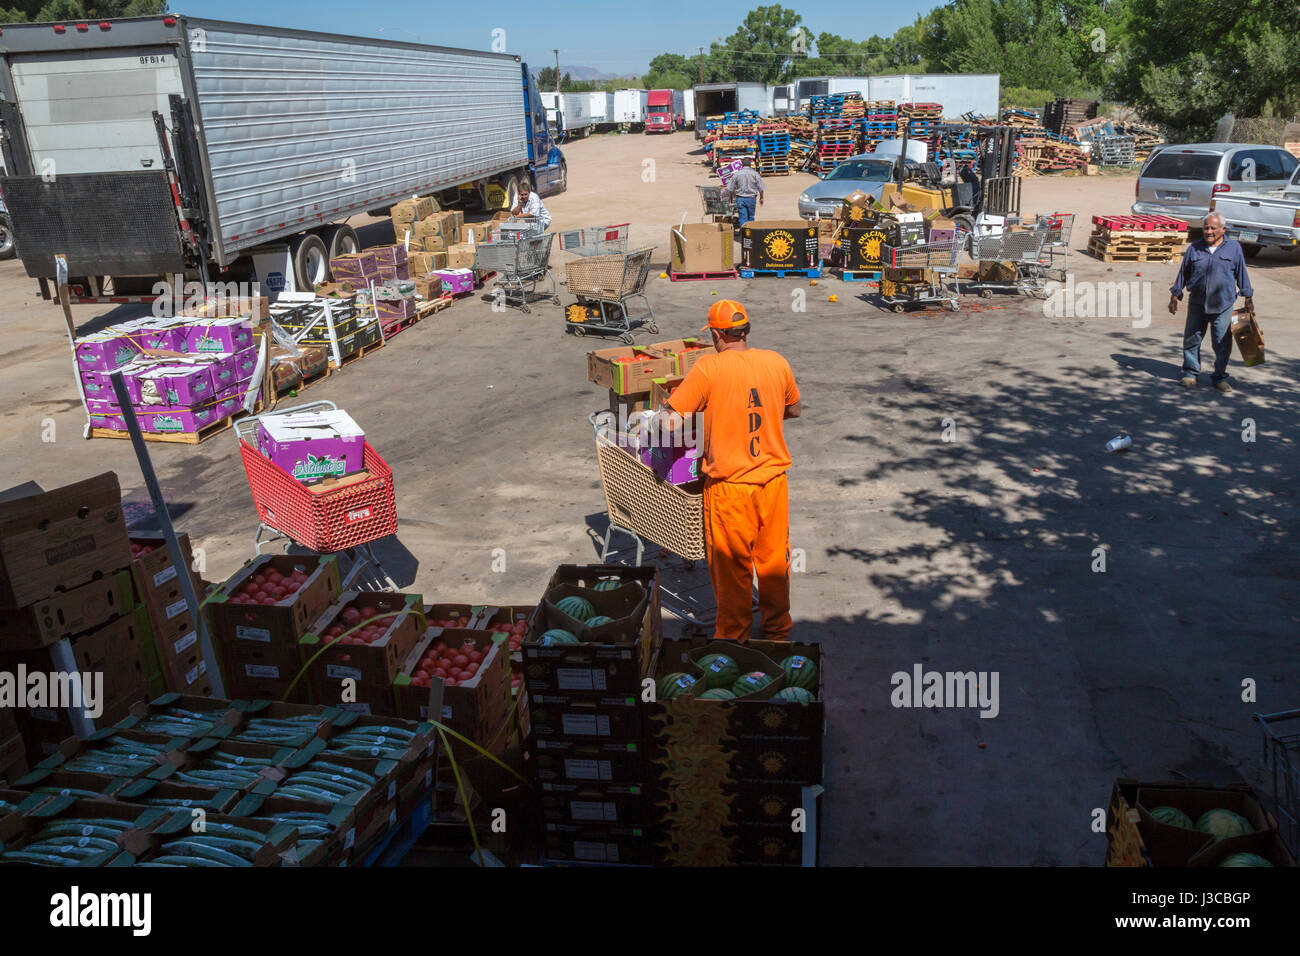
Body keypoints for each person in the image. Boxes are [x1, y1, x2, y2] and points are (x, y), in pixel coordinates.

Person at [655, 300, 801, 642]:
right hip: (774, 484)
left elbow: (672, 422)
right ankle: (778, 634)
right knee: (774, 563)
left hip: (731, 489)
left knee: (732, 569)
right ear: (745, 331)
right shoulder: (776, 362)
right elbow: (794, 410)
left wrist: (662, 408)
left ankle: (733, 641)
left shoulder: (709, 368)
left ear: (717, 334)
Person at [1169, 212, 1254, 393]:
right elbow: (1183, 273)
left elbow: (1242, 273)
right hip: (1197, 303)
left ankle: (1219, 377)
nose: (1208, 231)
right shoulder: (1195, 248)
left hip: (1223, 304)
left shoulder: (1234, 248)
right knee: (1192, 339)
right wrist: (1175, 295)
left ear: (1223, 230)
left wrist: (1248, 297)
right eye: (1206, 227)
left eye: (1213, 228)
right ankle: (1190, 373)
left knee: (1222, 342)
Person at [724, 157, 765, 228]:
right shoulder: (755, 174)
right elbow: (761, 188)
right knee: (751, 217)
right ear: (750, 164)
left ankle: (743, 233)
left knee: (742, 217)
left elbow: (730, 188)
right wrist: (761, 198)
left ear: (742, 164)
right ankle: (750, 234)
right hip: (751, 198)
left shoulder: (737, 174)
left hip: (740, 199)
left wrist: (730, 199)